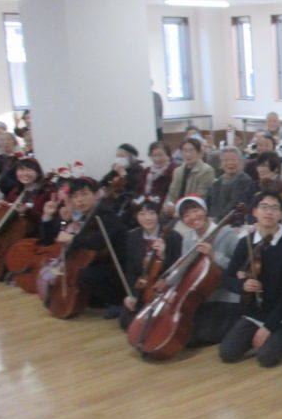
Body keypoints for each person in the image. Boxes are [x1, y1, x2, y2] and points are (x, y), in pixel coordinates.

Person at [219, 191, 282, 367]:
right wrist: (242, 285)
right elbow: (227, 278)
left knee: (266, 359)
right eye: (264, 207)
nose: (269, 212)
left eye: (274, 208)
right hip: (254, 313)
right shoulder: (246, 243)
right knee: (227, 354)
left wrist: (268, 327)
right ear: (255, 212)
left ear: (281, 214)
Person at [37, 177, 128, 316]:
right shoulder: (82, 216)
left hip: (118, 267)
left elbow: (97, 242)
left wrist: (73, 238)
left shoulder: (106, 215)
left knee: (88, 275)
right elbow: (51, 240)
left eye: (84, 194)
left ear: (96, 194)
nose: (80, 200)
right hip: (96, 263)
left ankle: (118, 303)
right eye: (75, 196)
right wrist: (53, 218)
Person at [171, 195, 243, 347]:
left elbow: (241, 267)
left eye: (195, 211)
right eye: (186, 215)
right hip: (203, 297)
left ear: (204, 210)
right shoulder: (188, 239)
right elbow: (185, 270)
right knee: (188, 336)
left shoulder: (227, 233)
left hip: (225, 296)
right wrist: (168, 282)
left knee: (206, 336)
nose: (192, 217)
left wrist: (214, 255)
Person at [118, 198, 183, 329]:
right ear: (136, 216)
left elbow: (178, 265)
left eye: (152, 213)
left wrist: (163, 256)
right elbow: (130, 270)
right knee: (126, 321)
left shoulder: (172, 236)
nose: (147, 218)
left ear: (158, 215)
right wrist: (130, 295)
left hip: (165, 287)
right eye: (142, 214)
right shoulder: (132, 237)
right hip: (143, 288)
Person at [165, 137, 216, 212]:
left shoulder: (207, 171)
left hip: (193, 211)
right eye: (185, 151)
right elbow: (171, 194)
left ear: (199, 153)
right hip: (175, 210)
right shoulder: (177, 171)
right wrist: (168, 206)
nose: (187, 154)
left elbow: (200, 197)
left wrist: (177, 208)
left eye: (191, 151)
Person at [206, 146, 255, 221]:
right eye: (226, 160)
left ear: (241, 162)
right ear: (221, 163)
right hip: (213, 221)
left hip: (232, 222)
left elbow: (235, 205)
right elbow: (209, 204)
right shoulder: (216, 183)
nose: (230, 163)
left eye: (233, 159)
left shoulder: (244, 180)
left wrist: (217, 220)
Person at [143, 141, 177, 207]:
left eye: (160, 155)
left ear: (168, 155)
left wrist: (151, 202)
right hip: (146, 207)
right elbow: (139, 192)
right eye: (154, 156)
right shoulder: (146, 171)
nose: (157, 159)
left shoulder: (174, 171)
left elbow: (171, 194)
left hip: (165, 207)